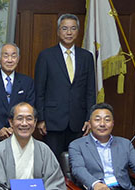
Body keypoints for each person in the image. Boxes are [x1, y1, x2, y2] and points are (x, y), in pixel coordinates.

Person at [34, 13, 95, 159]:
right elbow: (39, 89)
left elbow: (90, 90)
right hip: (52, 121)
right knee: (52, 162)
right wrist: (41, 118)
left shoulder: (87, 57)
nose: (69, 32)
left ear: (78, 31)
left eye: (73, 28)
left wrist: (89, 118)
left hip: (78, 121)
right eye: (65, 28)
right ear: (58, 31)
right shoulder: (46, 56)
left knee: (76, 162)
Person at [0, 43, 35, 151]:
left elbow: (30, 107)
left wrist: (15, 128)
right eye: (6, 56)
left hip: (20, 135)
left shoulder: (27, 82)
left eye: (13, 56)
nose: (10, 60)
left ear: (18, 59)